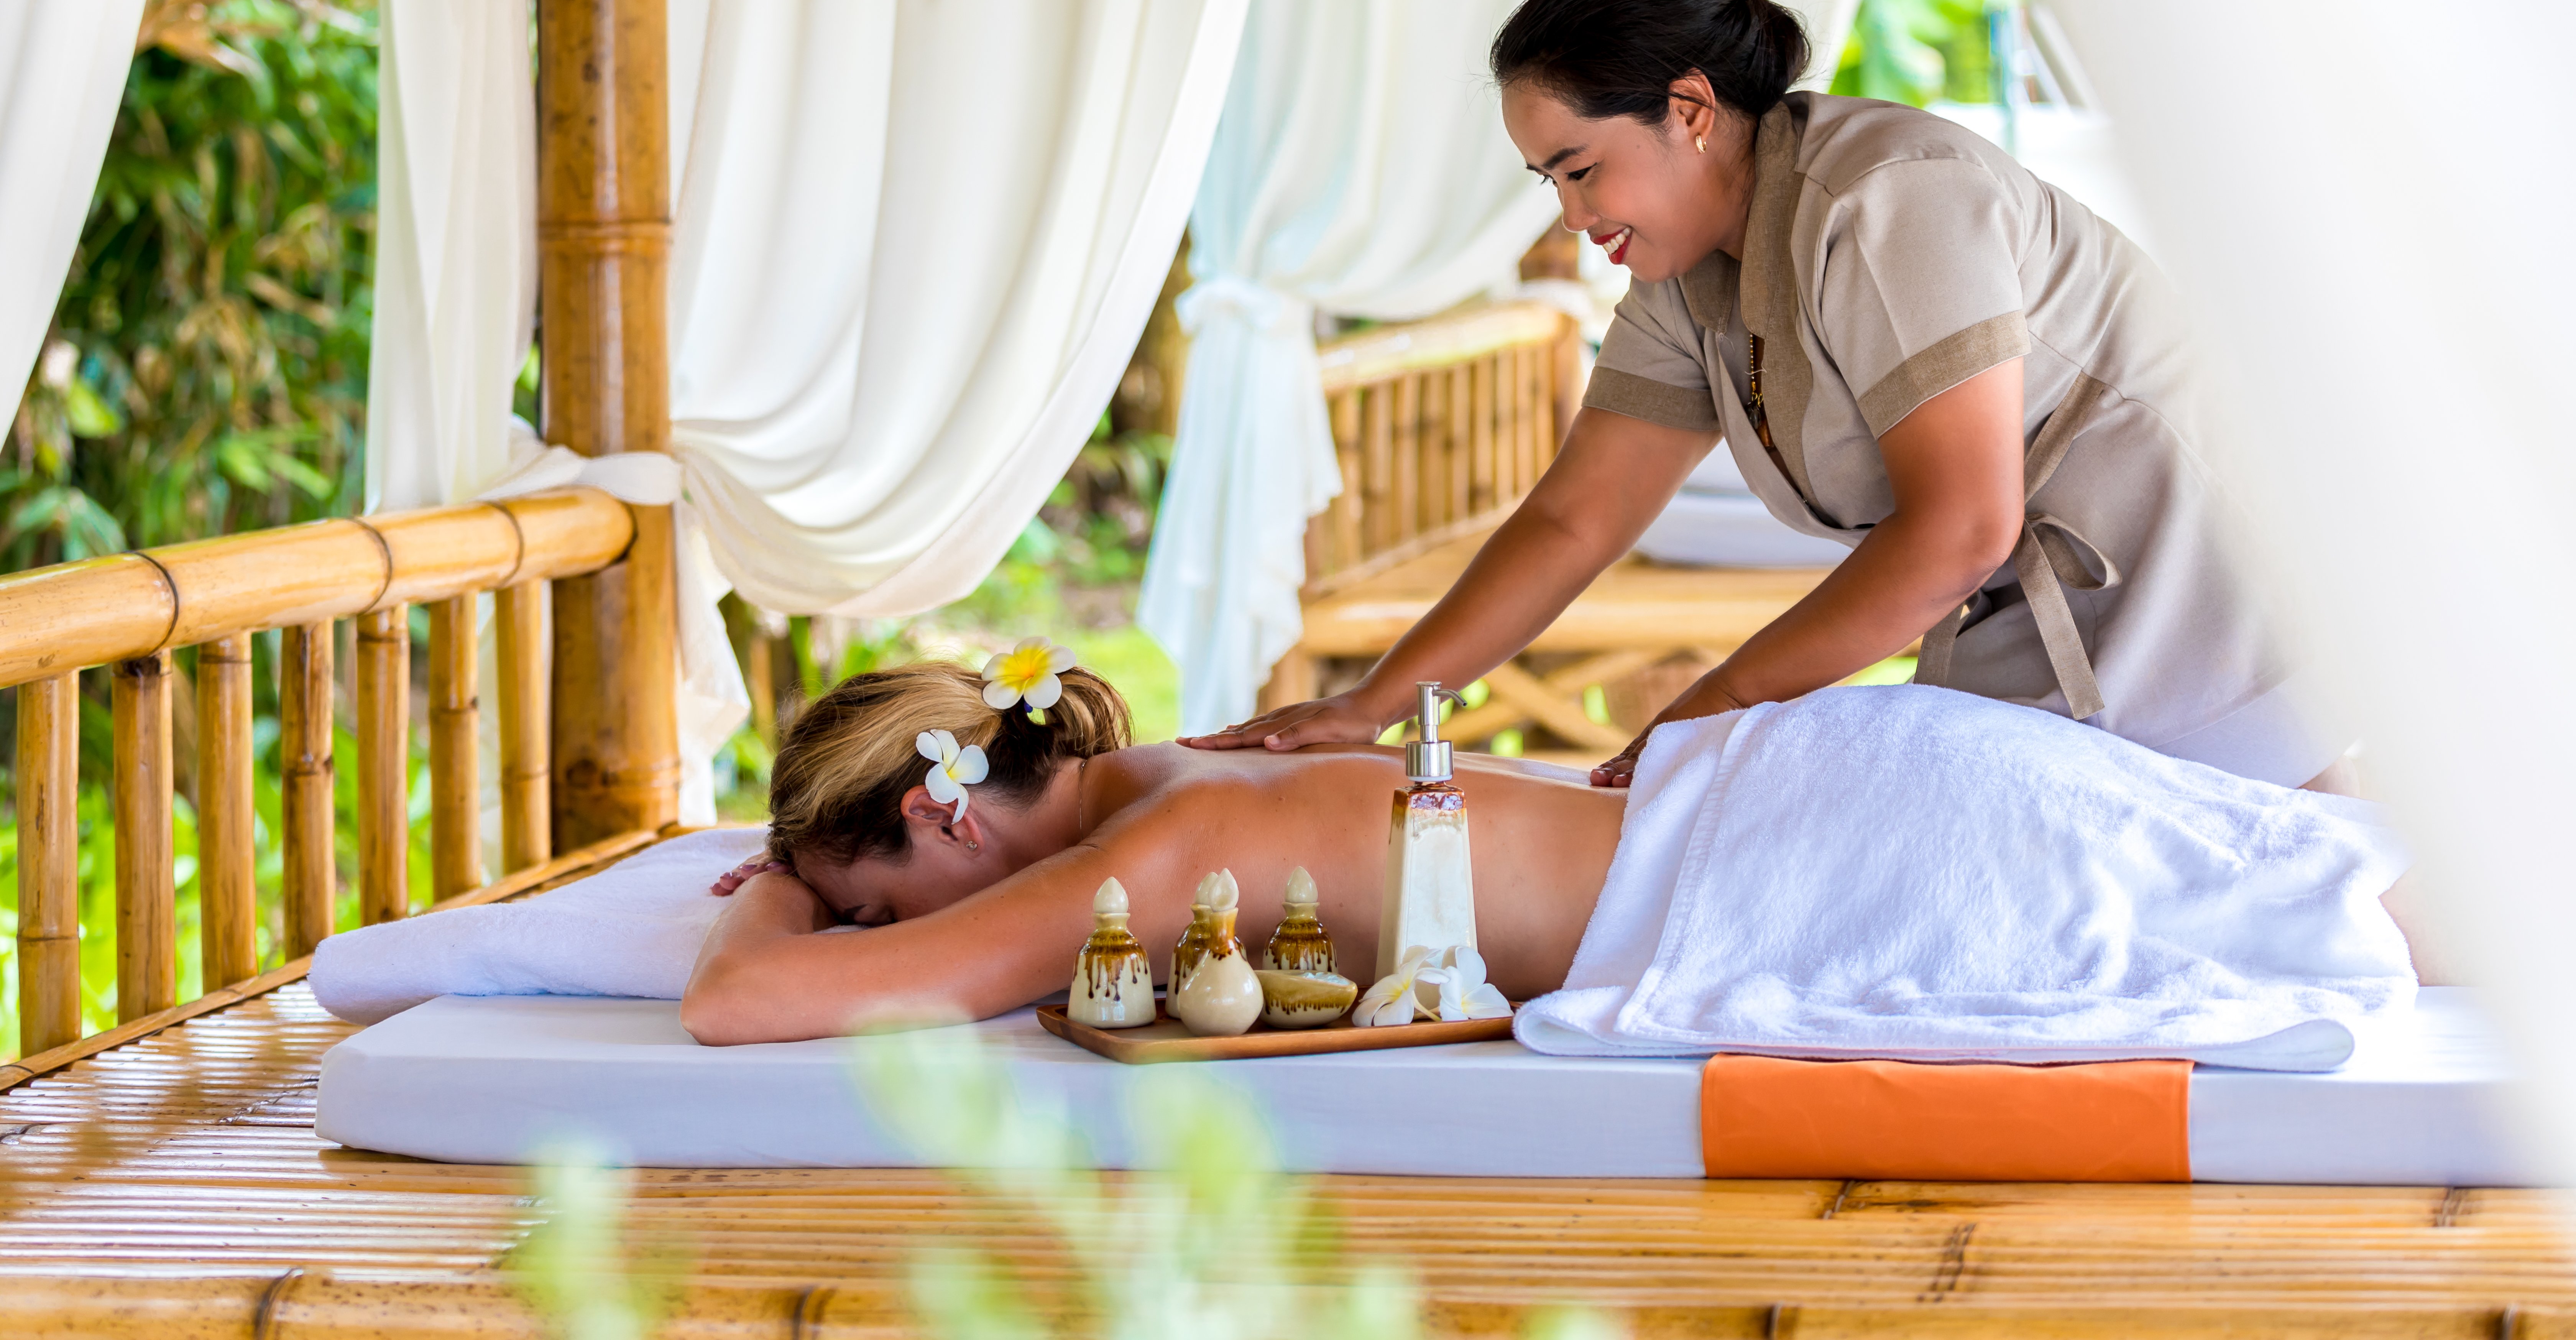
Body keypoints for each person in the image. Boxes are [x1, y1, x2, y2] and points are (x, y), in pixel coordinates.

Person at [1181, 0, 2326, 791]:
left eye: (1581, 170)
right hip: (2031, 633)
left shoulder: (1885, 199)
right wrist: (1381, 700)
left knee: (2360, 935)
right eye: (1550, 183)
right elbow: (1576, 520)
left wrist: (1703, 714)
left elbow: (1962, 528)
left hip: (2199, 596)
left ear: (1688, 110)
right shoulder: (1688, 274)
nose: (1572, 217)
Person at [681, 661, 2430, 1049]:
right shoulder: (1166, 777)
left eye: (876, 899)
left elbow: (745, 1010)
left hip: (1806, 858)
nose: (878, 930)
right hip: (1831, 786)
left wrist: (766, 888)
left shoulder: (1168, 846)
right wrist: (805, 852)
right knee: (2323, 875)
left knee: (2330, 899)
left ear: (940, 810)